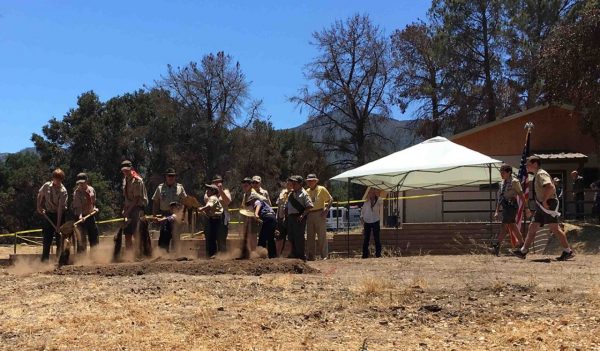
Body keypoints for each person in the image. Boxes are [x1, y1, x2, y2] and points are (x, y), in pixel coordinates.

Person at [512, 156, 575, 261]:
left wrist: (545, 200)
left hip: (548, 204)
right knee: (533, 226)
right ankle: (523, 251)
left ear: (535, 164)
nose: (526, 166)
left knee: (555, 228)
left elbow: (550, 187)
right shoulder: (537, 174)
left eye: (528, 164)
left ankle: (567, 251)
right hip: (542, 205)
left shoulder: (541, 174)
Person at [491, 164, 525, 256]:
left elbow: (521, 194)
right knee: (512, 226)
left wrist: (526, 207)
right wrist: (497, 210)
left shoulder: (514, 181)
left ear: (509, 172)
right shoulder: (502, 183)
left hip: (511, 205)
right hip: (505, 206)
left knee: (504, 226)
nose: (501, 174)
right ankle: (522, 244)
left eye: (503, 172)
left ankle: (497, 245)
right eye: (500, 172)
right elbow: (500, 198)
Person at [152, 168, 187, 253]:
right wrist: (154, 215)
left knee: (176, 235)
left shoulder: (180, 188)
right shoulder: (160, 188)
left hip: (176, 214)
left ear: (175, 177)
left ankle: (176, 255)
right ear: (166, 177)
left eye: (173, 176)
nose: (171, 178)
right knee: (164, 233)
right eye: (169, 176)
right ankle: (163, 255)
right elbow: (156, 202)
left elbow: (185, 202)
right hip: (164, 214)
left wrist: (183, 216)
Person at [37, 168, 68, 262]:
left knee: (60, 240)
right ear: (53, 178)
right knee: (47, 238)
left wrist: (58, 226)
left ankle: (60, 261)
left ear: (62, 179)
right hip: (48, 214)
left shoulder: (63, 191)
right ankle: (44, 261)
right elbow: (40, 194)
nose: (58, 181)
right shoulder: (46, 185)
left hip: (60, 216)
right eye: (56, 179)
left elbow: (60, 209)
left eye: (60, 179)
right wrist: (38, 206)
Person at [121, 160, 149, 256]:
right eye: (124, 170)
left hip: (137, 208)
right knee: (127, 233)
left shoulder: (137, 180)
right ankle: (129, 255)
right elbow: (126, 198)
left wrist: (128, 211)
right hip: (129, 208)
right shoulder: (125, 180)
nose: (125, 172)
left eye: (127, 170)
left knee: (137, 232)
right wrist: (125, 209)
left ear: (131, 169)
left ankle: (140, 253)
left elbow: (137, 199)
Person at [305, 173, 333, 260]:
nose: (310, 182)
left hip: (320, 213)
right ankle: (310, 256)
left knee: (322, 235)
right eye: (309, 181)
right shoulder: (306, 192)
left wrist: (326, 209)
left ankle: (324, 255)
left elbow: (330, 199)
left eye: (312, 181)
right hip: (309, 214)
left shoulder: (322, 189)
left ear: (315, 181)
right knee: (310, 236)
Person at [285, 175, 314, 260]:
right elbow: (287, 206)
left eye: (295, 183)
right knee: (290, 236)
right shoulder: (291, 194)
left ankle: (301, 255)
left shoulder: (304, 194)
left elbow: (309, 206)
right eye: (292, 182)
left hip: (299, 217)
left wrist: (302, 215)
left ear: (300, 184)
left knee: (299, 237)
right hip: (290, 217)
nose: (293, 184)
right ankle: (293, 253)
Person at [71, 172, 100, 254]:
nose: (81, 184)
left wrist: (95, 208)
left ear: (86, 181)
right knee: (81, 239)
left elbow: (93, 203)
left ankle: (95, 256)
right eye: (79, 183)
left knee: (94, 236)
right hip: (80, 217)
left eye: (83, 182)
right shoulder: (77, 193)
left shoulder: (91, 190)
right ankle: (81, 259)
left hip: (90, 216)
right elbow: (78, 207)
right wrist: (80, 216)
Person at [204, 175, 231, 253]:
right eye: (215, 182)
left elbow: (228, 201)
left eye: (219, 182)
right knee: (210, 236)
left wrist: (221, 191)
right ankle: (211, 254)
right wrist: (215, 193)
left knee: (221, 236)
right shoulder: (208, 192)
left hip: (222, 216)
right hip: (211, 216)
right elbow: (206, 199)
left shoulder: (226, 191)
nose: (217, 183)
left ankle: (222, 255)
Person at [246, 192, 277, 258]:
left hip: (268, 218)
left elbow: (258, 204)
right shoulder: (265, 205)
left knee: (262, 238)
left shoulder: (257, 201)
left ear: (253, 199)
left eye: (250, 202)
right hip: (272, 218)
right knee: (270, 238)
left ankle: (260, 255)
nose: (250, 204)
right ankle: (273, 256)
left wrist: (256, 213)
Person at [198, 184, 223, 258]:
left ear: (213, 191)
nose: (207, 191)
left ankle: (212, 254)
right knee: (213, 237)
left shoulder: (212, 198)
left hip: (215, 220)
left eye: (209, 190)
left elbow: (209, 206)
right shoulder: (214, 198)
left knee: (211, 237)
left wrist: (201, 209)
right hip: (215, 219)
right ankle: (213, 254)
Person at [361, 188, 382, 258]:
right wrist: (362, 219)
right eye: (370, 193)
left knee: (377, 238)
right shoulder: (366, 201)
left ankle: (378, 254)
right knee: (366, 239)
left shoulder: (379, 200)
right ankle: (364, 255)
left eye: (373, 192)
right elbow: (362, 211)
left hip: (376, 220)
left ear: (375, 193)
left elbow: (381, 202)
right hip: (367, 221)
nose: (371, 194)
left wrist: (378, 195)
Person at [241, 177, 259, 254]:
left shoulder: (253, 194)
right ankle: (249, 251)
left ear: (250, 185)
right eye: (244, 185)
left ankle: (253, 251)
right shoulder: (245, 194)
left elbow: (257, 204)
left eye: (246, 185)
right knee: (248, 234)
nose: (244, 186)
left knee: (253, 235)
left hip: (253, 216)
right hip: (247, 216)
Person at [275, 180, 293, 256]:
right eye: (288, 183)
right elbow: (279, 205)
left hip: (291, 218)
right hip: (281, 217)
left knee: (291, 237)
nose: (289, 185)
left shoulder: (296, 193)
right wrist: (277, 216)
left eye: (291, 184)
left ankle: (290, 254)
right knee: (279, 236)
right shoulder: (282, 192)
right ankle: (277, 254)